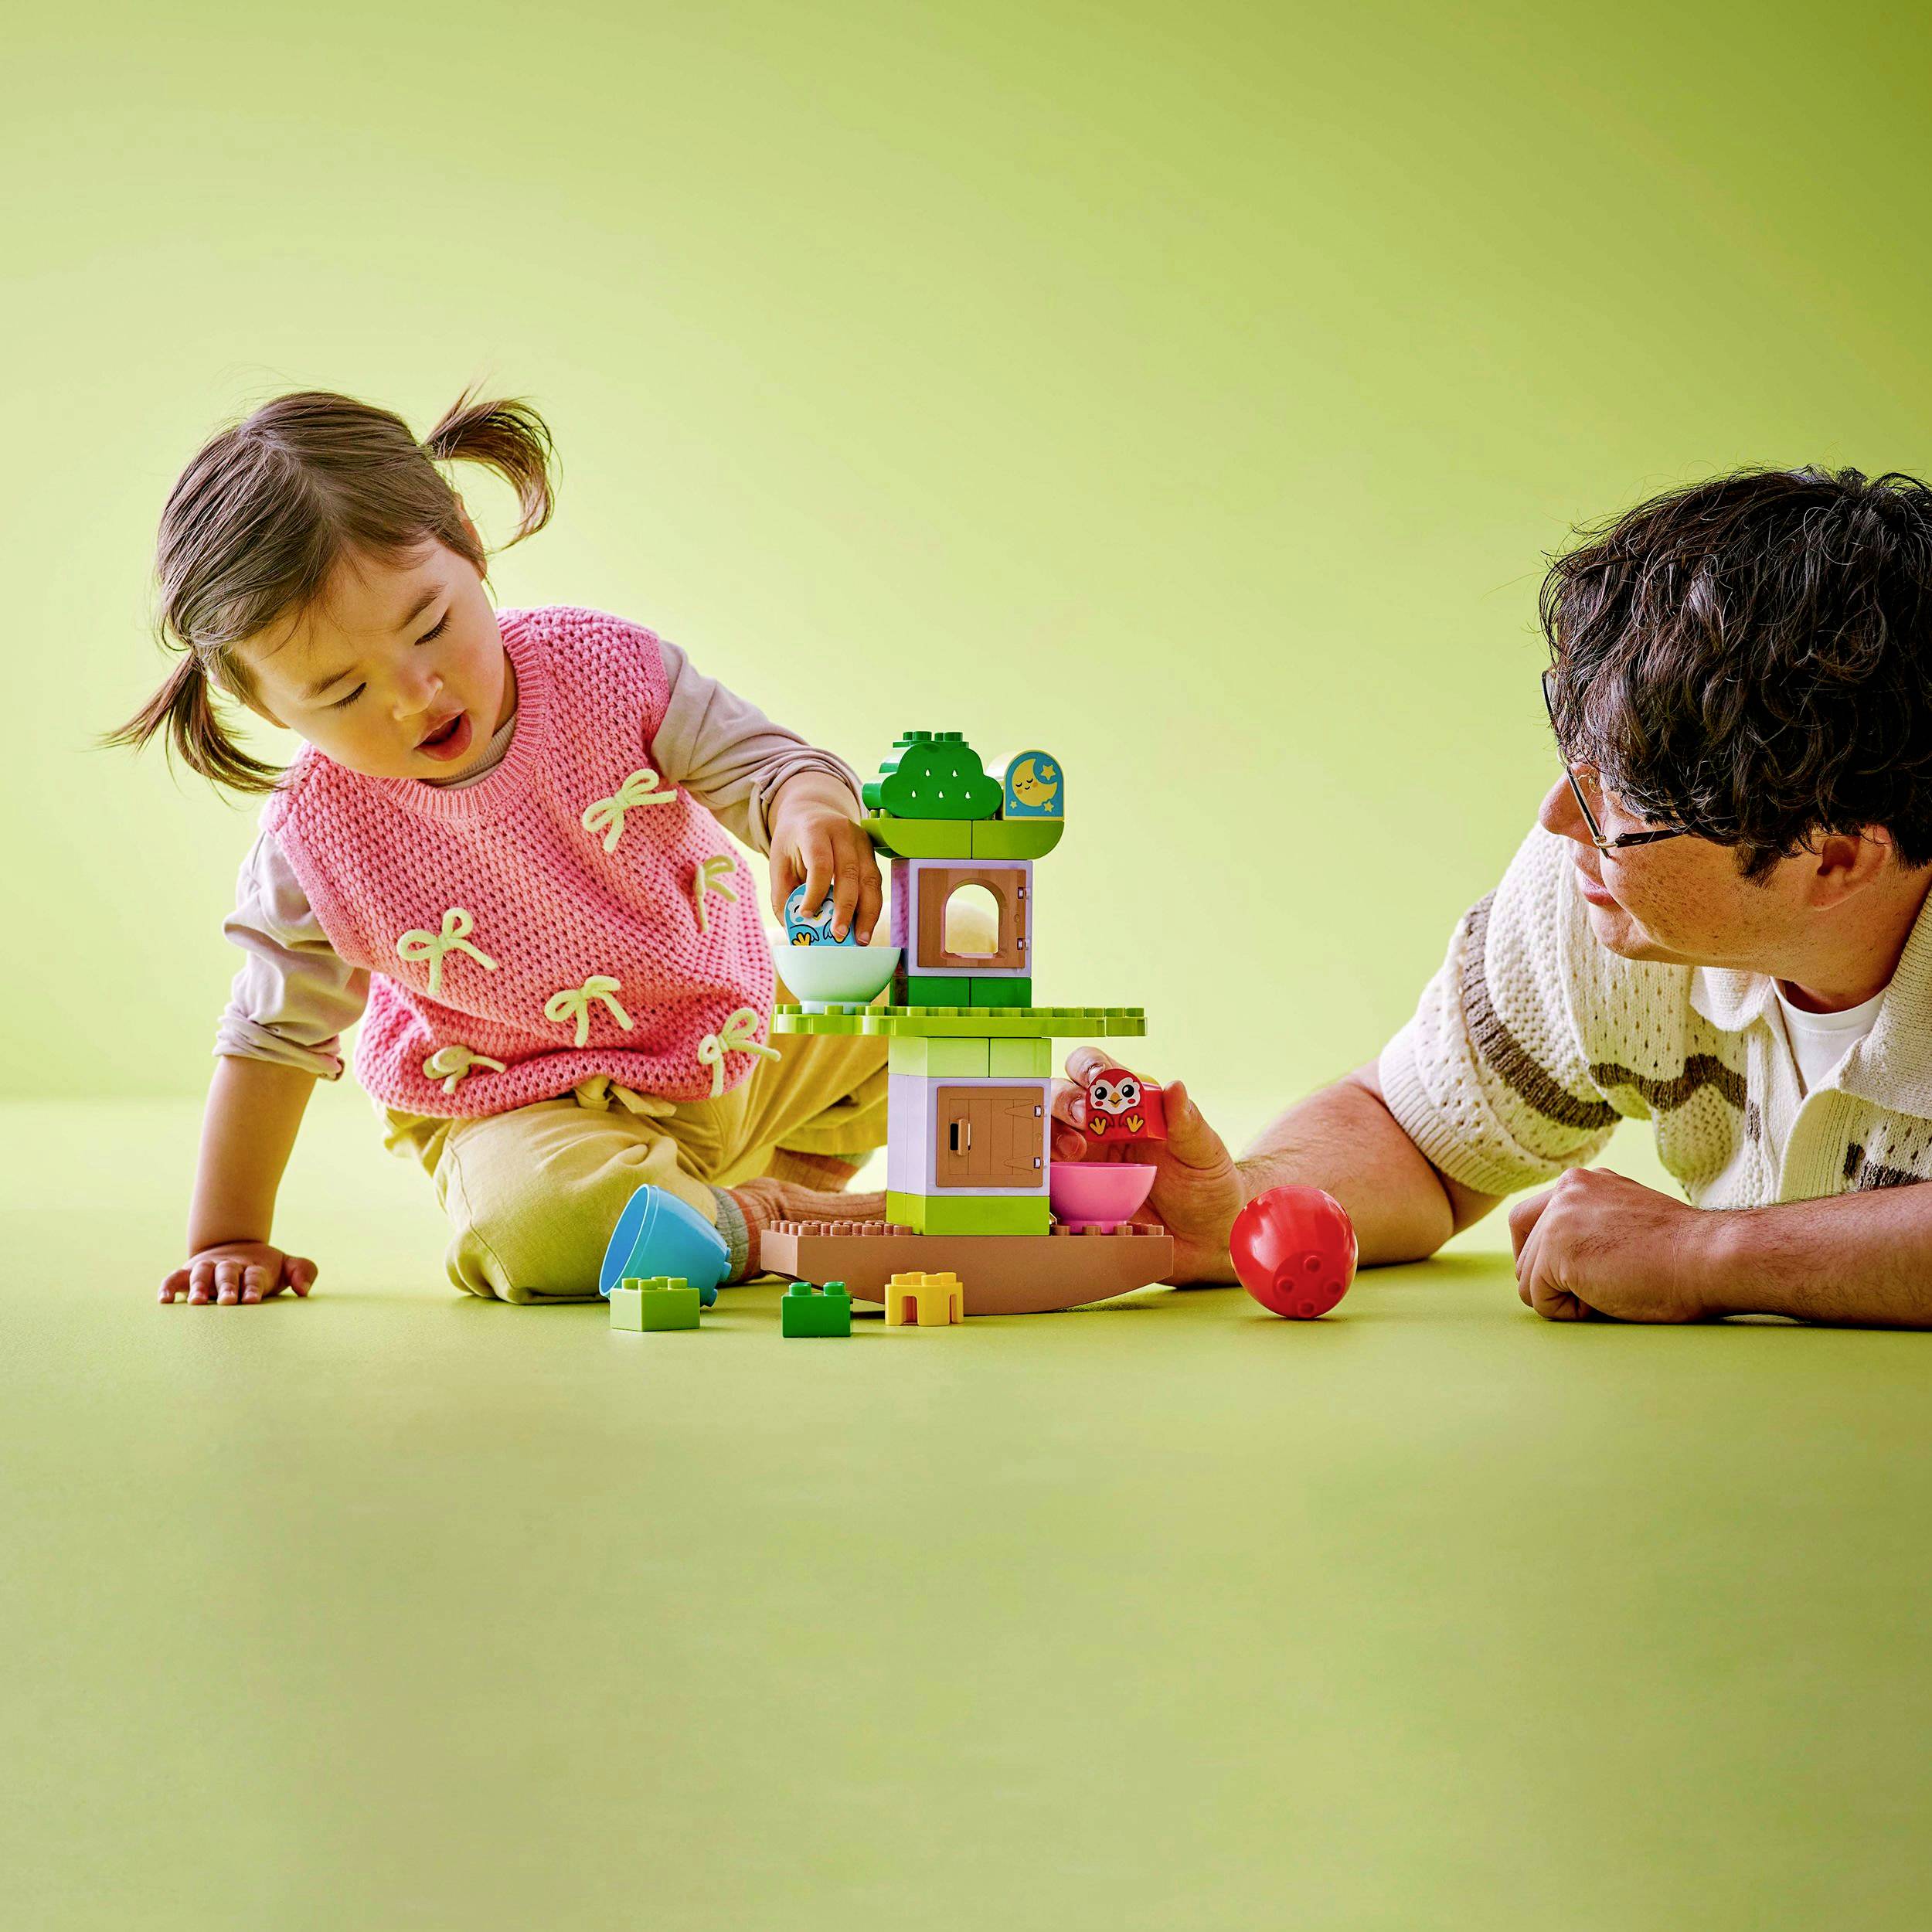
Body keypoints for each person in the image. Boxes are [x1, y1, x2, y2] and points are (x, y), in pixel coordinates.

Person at [1059, 468, 1932, 1326]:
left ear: (1835, 860)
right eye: (1581, 751)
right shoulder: (1599, 900)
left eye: (1627, 796)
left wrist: (1702, 1254)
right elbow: (1416, 1137)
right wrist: (1239, 1213)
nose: (1559, 816)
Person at [109, 388, 889, 1306]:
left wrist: (804, 808)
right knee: (540, 1224)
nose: (415, 694)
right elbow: (272, 1038)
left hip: (734, 1044)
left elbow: (764, 765)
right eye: (342, 692)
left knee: (935, 980)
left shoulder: (607, 671)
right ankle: (755, 1223)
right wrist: (229, 1235)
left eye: (431, 625)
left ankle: (746, 1197)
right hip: (523, 1114)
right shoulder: (316, 840)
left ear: (469, 545)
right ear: (264, 704)